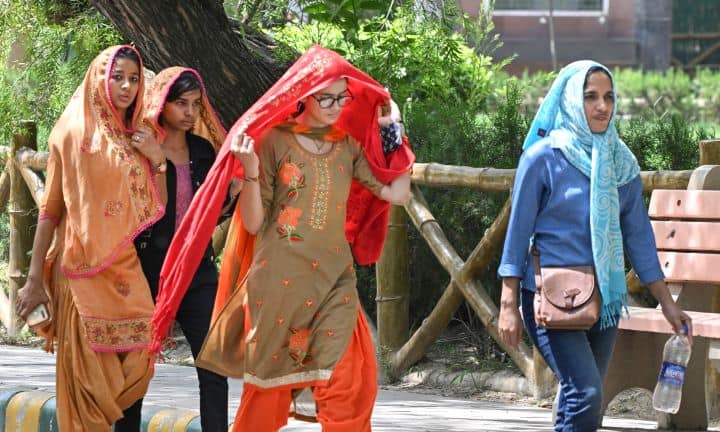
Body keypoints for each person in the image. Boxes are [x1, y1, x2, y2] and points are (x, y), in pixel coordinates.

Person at [148, 46, 415, 432]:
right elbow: (255, 223)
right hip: (279, 285)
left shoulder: (347, 146)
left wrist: (394, 130)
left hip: (334, 282)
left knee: (352, 381)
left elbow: (398, 193)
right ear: (304, 93)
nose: (337, 106)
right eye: (328, 97)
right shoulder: (274, 141)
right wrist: (252, 172)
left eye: (343, 97)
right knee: (268, 395)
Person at [497, 60, 693, 431]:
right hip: (548, 296)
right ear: (571, 100)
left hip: (604, 296)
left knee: (584, 399)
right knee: (585, 394)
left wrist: (667, 303)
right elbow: (517, 232)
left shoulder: (623, 164)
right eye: (590, 97)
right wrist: (508, 304)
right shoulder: (543, 158)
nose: (602, 106)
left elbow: (638, 237)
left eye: (608, 97)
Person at [14, 45, 166, 431]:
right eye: (118, 77)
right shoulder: (70, 131)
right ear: (98, 78)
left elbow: (158, 204)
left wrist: (158, 158)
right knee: (86, 382)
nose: (127, 86)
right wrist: (34, 279)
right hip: (79, 269)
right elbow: (50, 210)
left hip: (125, 266)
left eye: (134, 79)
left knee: (140, 357)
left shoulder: (137, 134)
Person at [134, 67, 236, 431]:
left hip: (197, 268)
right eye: (181, 103)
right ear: (162, 104)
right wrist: (154, 159)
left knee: (213, 366)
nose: (190, 112)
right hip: (146, 270)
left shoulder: (202, 150)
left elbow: (217, 206)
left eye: (195, 104)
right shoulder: (140, 144)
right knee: (135, 370)